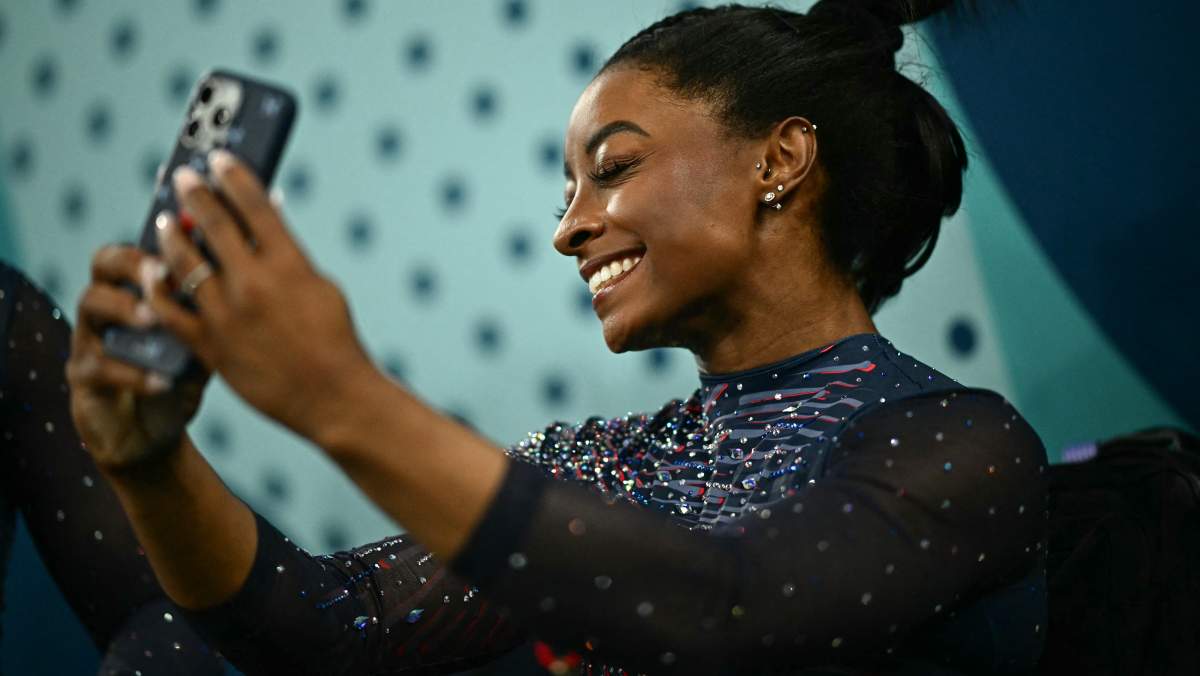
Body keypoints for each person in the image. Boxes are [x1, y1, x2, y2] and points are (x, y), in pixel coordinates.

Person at [62, 1, 1050, 674]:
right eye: (565, 193)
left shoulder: (962, 446)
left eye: (612, 169)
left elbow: (732, 611)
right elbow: (329, 630)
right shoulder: (611, 462)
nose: (569, 229)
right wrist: (149, 463)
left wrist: (338, 394)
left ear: (780, 158)